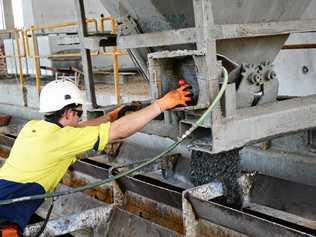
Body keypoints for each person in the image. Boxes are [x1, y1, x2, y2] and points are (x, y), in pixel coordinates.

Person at [0, 79, 192, 235]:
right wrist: (162, 104)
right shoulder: (62, 139)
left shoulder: (33, 128)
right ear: (68, 112)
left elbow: (81, 129)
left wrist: (110, 117)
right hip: (5, 215)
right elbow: (118, 132)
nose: (80, 119)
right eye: (79, 113)